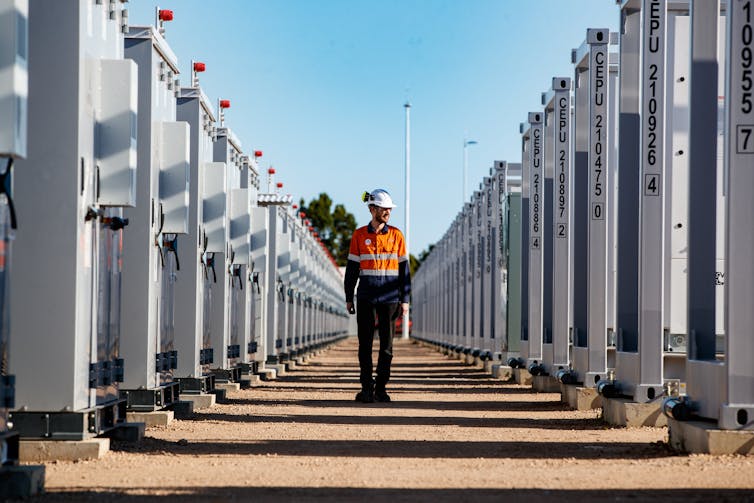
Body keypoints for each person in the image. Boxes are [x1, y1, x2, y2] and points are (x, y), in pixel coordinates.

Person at [344, 189, 410, 403]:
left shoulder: (397, 235)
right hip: (366, 297)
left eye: (389, 208)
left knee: (387, 346)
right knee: (365, 345)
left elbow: (404, 271)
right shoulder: (359, 235)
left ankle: (381, 387)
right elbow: (352, 268)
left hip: (390, 299)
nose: (388, 212)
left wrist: (406, 299)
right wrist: (348, 296)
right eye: (384, 208)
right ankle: (366, 389)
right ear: (372, 209)